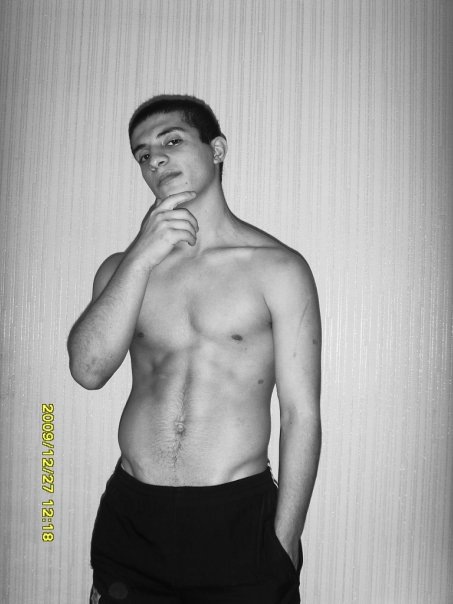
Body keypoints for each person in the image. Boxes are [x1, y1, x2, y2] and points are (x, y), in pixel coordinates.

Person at [67, 94, 322, 604]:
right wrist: (142, 255)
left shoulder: (278, 268)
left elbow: (301, 415)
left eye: (172, 141)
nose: (155, 159)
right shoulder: (122, 270)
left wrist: (285, 538)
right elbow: (88, 370)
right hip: (133, 519)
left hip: (238, 520)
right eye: (142, 154)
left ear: (217, 150)